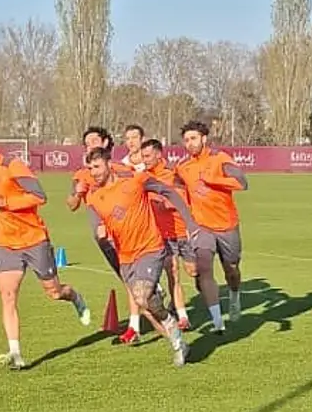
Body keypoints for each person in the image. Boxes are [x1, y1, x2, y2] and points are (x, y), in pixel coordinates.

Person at [0, 132, 91, 370]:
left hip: (34, 239)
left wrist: (9, 203)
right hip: (7, 245)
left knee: (54, 292)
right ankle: (15, 353)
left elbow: (39, 197)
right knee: (7, 296)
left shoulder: (13, 166)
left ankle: (75, 297)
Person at [83, 146, 209, 366]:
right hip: (126, 256)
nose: (93, 172)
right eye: (90, 168)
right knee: (148, 303)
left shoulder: (135, 180)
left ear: (109, 164)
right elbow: (97, 224)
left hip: (150, 248)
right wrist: (99, 231)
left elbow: (168, 192)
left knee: (141, 297)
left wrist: (189, 222)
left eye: (97, 166)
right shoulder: (94, 196)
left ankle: (174, 334)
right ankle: (177, 339)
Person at [66, 126, 145, 344]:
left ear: (106, 143)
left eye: (94, 141)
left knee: (131, 277)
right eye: (87, 143)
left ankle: (135, 326)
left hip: (125, 231)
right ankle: (143, 314)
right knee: (127, 278)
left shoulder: (122, 170)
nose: (90, 145)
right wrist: (78, 193)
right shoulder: (82, 175)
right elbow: (71, 205)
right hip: (103, 237)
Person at [174, 120, 250, 331]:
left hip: (226, 225)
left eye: (193, 138)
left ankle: (234, 295)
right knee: (204, 266)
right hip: (202, 226)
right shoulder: (182, 166)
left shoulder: (220, 158)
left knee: (231, 269)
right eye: (186, 140)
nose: (190, 143)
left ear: (204, 139)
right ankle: (217, 321)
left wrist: (215, 179)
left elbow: (242, 183)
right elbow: (178, 190)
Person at [140, 138, 191, 328]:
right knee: (173, 271)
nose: (144, 160)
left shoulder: (172, 173)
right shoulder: (143, 177)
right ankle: (183, 317)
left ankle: (185, 299)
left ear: (158, 154)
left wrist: (165, 202)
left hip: (181, 230)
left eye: (147, 156)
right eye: (143, 156)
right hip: (161, 234)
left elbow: (181, 200)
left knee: (193, 271)